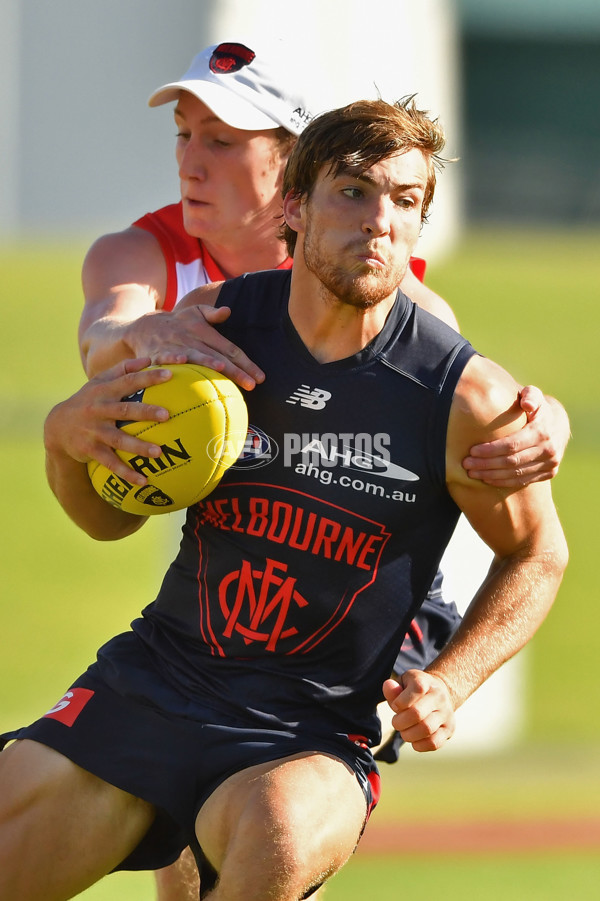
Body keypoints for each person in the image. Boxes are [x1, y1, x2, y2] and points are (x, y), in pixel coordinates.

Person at [0, 96, 568, 901]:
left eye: (406, 201)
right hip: (157, 681)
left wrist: (451, 680)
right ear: (294, 206)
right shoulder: (215, 330)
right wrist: (64, 438)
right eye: (353, 191)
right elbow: (111, 516)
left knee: (277, 829)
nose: (380, 221)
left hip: (309, 728)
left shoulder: (459, 392)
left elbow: (539, 552)